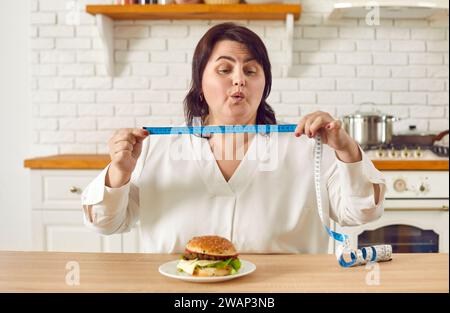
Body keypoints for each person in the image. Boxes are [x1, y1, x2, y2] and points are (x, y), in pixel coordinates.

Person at [81, 22, 385, 254]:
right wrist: (119, 173)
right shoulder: (153, 149)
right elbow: (105, 223)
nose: (239, 79)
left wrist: (346, 150)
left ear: (264, 86)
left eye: (251, 71)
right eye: (225, 69)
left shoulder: (307, 149)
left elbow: (361, 211)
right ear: (200, 83)